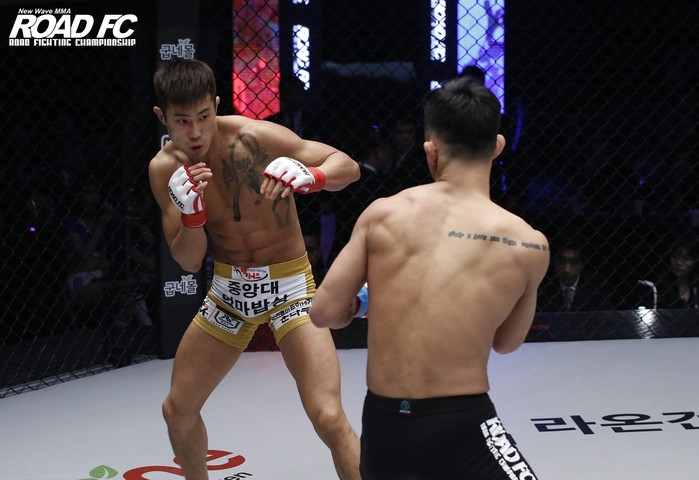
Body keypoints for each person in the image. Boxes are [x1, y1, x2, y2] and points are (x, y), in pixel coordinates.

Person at [310, 77, 549, 479]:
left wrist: (361, 303)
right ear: (497, 146)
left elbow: (324, 312)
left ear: (430, 150)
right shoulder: (529, 244)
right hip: (460, 422)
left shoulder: (383, 214)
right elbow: (507, 343)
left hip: (384, 424)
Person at [148, 59, 360, 480]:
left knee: (329, 416)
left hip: (291, 288)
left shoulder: (255, 137)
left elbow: (348, 167)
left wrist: (313, 176)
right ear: (162, 117)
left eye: (204, 116)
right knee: (178, 410)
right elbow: (189, 261)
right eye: (183, 121)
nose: (196, 132)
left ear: (216, 105)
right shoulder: (165, 169)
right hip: (229, 293)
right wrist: (192, 216)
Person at [537, 243, 614, 312]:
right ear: (554, 262)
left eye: (574, 262)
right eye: (562, 261)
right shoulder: (542, 285)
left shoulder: (596, 285)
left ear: (582, 264)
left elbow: (607, 315)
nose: (567, 269)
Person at [655, 234, 698, 309]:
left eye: (686, 259)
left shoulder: (695, 287)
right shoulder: (659, 288)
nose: (678, 263)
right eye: (674, 256)